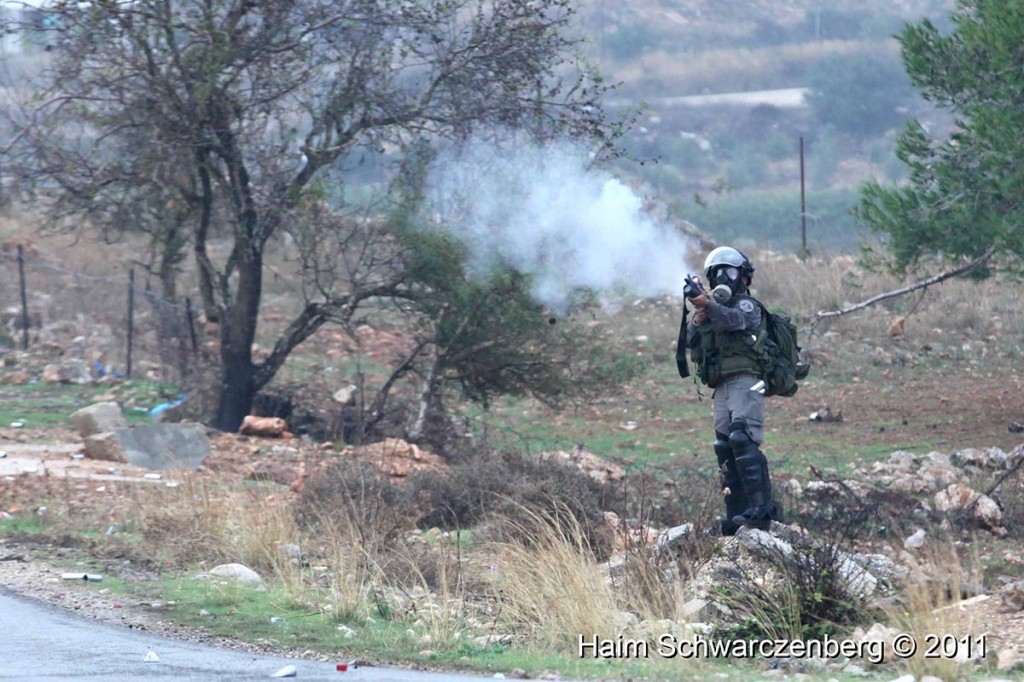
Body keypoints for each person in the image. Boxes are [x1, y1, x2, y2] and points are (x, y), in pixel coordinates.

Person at [686, 246, 778, 534]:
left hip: (746, 379)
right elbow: (691, 341)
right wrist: (699, 313)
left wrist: (708, 306)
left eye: (729, 271)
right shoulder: (713, 311)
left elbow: (736, 321)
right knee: (723, 446)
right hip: (722, 384)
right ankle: (735, 514)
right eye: (717, 273)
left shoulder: (746, 306)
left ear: (743, 277)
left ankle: (762, 510)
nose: (723, 277)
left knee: (743, 438)